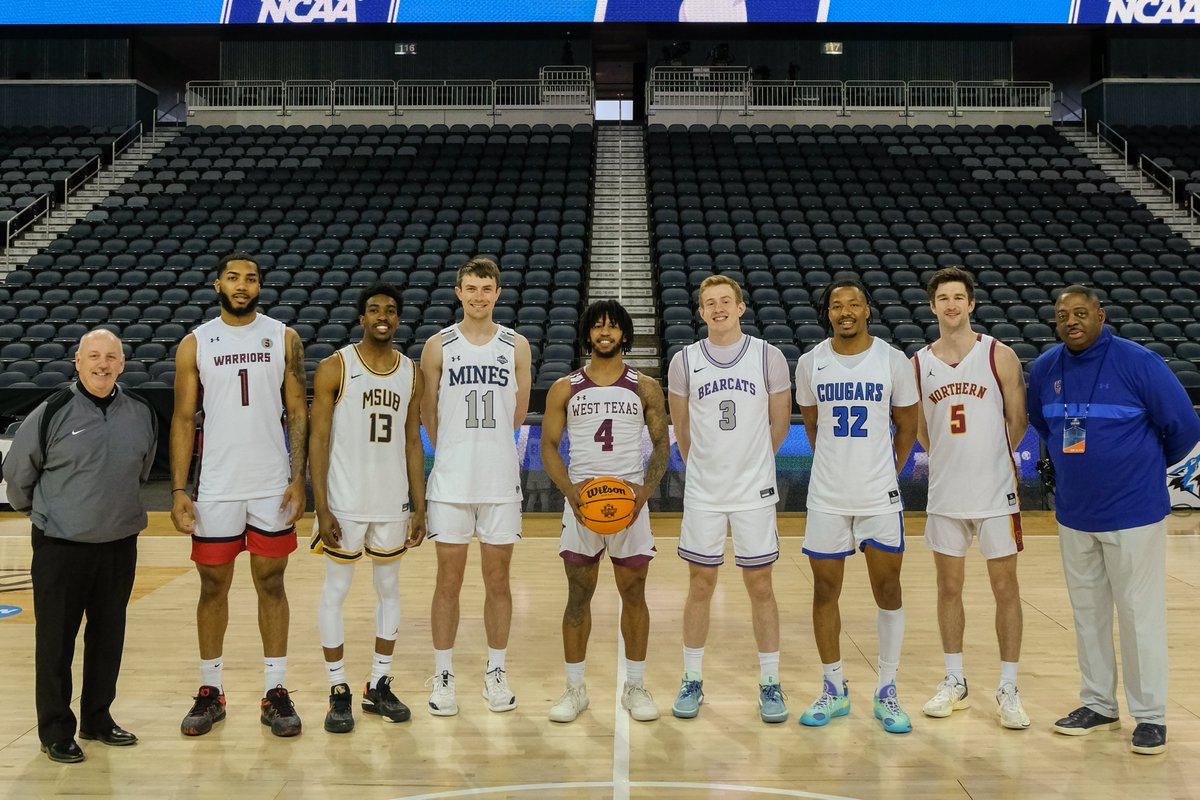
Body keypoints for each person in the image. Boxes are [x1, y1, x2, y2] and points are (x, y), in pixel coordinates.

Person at [1027, 285, 1200, 756]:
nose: (1071, 322)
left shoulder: (1138, 362)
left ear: (1101, 315)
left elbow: (1184, 428)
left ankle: (1150, 717)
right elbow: (1044, 426)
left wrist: (1136, 468)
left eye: (1081, 313)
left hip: (1134, 513)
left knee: (1139, 616)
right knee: (1088, 615)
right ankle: (1099, 704)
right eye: (1063, 315)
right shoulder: (1044, 368)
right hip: (1075, 514)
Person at [170, 251, 309, 738]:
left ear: (259, 287)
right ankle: (211, 691)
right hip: (218, 486)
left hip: (271, 482)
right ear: (218, 285)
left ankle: (276, 691)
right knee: (213, 586)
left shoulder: (284, 337)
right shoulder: (196, 343)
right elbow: (184, 418)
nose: (242, 285)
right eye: (233, 277)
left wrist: (298, 477)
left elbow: (297, 411)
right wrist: (179, 487)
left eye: (250, 278)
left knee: (272, 583)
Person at [3, 329, 156, 764]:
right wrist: (49, 512)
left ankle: (97, 719)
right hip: (60, 547)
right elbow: (17, 475)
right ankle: (55, 730)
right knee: (55, 642)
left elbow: (142, 470)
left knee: (108, 637)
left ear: (123, 364)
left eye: (111, 357)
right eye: (94, 356)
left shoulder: (141, 412)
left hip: (119, 544)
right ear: (78, 361)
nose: (102, 364)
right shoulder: (51, 410)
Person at [795, 278, 920, 734]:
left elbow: (907, 424)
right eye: (836, 305)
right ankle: (834, 688)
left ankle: (887, 689)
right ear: (827, 313)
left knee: (888, 589)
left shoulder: (892, 360)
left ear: (868, 309)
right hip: (827, 495)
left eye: (854, 304)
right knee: (825, 591)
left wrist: (888, 469)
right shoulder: (810, 363)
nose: (845, 311)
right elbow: (812, 426)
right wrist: (837, 463)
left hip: (877, 495)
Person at [666, 274, 793, 723]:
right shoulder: (683, 361)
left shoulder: (769, 357)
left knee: (761, 586)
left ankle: (771, 683)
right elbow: (681, 429)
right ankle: (692, 679)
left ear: (741, 307)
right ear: (700, 312)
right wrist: (707, 467)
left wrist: (751, 464)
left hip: (753, 491)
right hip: (704, 491)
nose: (718, 308)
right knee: (700, 585)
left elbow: (779, 425)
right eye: (709, 303)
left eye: (725, 301)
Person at [540, 300, 670, 723]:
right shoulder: (565, 387)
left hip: (630, 506)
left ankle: (635, 686)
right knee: (578, 595)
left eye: (613, 326)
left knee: (634, 593)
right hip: (582, 507)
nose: (605, 332)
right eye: (597, 326)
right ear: (588, 335)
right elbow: (548, 448)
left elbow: (662, 446)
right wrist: (572, 492)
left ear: (625, 335)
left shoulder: (645, 386)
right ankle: (574, 690)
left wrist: (642, 495)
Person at [912, 267, 1030, 730]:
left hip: (995, 491)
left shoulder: (999, 355)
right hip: (945, 494)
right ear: (932, 306)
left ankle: (1008, 686)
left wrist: (991, 460)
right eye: (943, 298)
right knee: (949, 588)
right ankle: (955, 680)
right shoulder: (919, 363)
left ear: (972, 303)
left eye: (959, 297)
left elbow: (1017, 422)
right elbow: (923, 431)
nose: (951, 304)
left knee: (1006, 589)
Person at [309, 282, 427, 733]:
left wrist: (420, 505)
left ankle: (378, 684)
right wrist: (322, 507)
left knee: (390, 589)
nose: (383, 316)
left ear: (398, 319)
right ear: (361, 317)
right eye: (374, 309)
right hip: (345, 500)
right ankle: (337, 688)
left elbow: (413, 441)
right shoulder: (335, 367)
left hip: (392, 500)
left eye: (391, 310)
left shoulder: (411, 372)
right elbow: (318, 442)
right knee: (335, 590)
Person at [420, 256, 532, 716]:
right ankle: (443, 672)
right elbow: (430, 413)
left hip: (499, 482)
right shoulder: (437, 345)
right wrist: (453, 447)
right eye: (471, 288)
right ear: (458, 292)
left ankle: (496, 670)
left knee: (498, 581)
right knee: (448, 580)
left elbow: (518, 412)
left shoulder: (517, 345)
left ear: (497, 294)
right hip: (450, 481)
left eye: (487, 288)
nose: (479, 296)